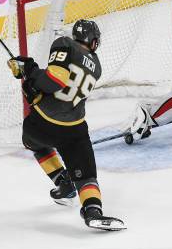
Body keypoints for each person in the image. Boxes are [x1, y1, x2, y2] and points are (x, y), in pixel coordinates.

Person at [8, 19, 125, 231]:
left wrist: (30, 72)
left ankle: (63, 183)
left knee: (32, 141)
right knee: (86, 176)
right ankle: (92, 211)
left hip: (42, 125)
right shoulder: (96, 66)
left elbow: (54, 81)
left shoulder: (64, 43)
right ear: (93, 41)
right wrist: (31, 76)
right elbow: (62, 82)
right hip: (75, 130)